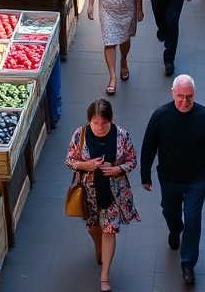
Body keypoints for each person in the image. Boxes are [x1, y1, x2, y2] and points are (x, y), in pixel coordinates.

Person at [140, 75, 205, 285]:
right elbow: (148, 147)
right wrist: (145, 175)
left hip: (197, 178)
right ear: (172, 93)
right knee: (170, 211)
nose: (184, 101)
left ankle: (188, 264)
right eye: (180, 96)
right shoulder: (160, 116)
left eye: (188, 96)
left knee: (193, 218)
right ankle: (175, 229)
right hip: (169, 178)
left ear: (194, 94)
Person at [66, 100, 140, 292]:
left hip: (113, 193)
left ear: (111, 120)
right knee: (93, 227)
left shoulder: (122, 135)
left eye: (104, 123)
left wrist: (116, 169)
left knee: (110, 230)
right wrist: (86, 165)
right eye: (95, 123)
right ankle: (98, 245)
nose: (99, 127)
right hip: (88, 192)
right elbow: (70, 160)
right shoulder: (79, 135)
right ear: (89, 120)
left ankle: (104, 275)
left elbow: (132, 161)